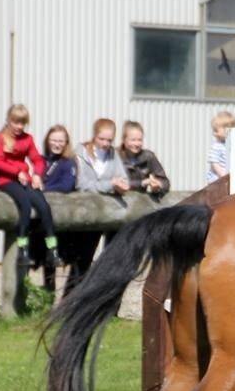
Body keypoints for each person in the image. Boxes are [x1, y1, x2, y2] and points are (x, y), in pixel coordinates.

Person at [0, 104, 61, 268]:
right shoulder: (0, 138)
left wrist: (37, 174)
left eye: (22, 123)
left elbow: (37, 159)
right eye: (16, 122)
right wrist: (17, 172)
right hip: (7, 181)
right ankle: (22, 249)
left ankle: (52, 249)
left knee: (44, 207)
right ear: (8, 121)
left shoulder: (27, 139)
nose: (19, 126)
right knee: (25, 205)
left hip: (24, 180)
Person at [68, 118, 130, 290]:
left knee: (110, 259)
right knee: (83, 259)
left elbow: (122, 177)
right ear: (94, 136)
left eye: (109, 140)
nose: (105, 144)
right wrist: (110, 185)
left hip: (109, 212)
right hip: (87, 212)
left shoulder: (113, 154)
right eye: (102, 139)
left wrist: (121, 186)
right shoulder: (81, 153)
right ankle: (70, 297)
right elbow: (82, 184)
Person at [32, 125, 78, 293]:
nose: (57, 144)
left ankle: (60, 297)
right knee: (39, 260)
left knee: (57, 261)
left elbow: (67, 186)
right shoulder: (41, 160)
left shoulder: (68, 162)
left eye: (60, 141)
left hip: (60, 219)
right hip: (40, 219)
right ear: (47, 141)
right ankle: (39, 296)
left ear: (66, 143)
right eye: (53, 140)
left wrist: (43, 189)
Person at [119, 120, 170, 197]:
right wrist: (142, 183)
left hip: (140, 201)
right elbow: (112, 182)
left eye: (140, 140)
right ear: (124, 140)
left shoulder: (148, 157)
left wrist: (158, 186)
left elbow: (165, 182)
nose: (137, 144)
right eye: (133, 140)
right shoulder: (115, 156)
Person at [206, 110, 235, 183]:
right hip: (217, 178)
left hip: (229, 177)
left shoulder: (233, 145)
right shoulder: (217, 146)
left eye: (216, 131)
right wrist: (223, 175)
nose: (214, 134)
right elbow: (214, 163)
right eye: (214, 131)